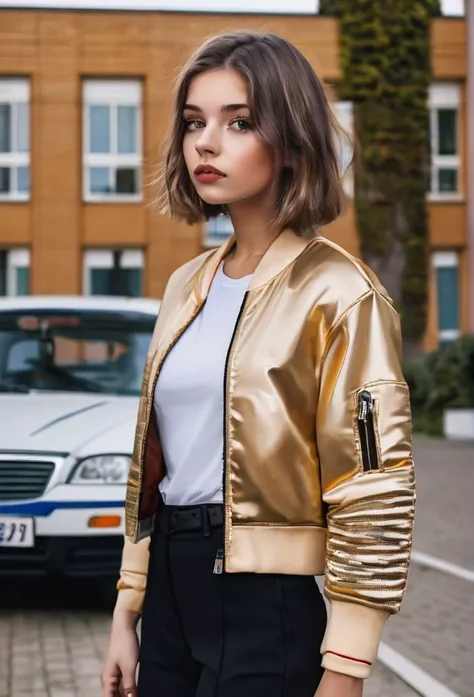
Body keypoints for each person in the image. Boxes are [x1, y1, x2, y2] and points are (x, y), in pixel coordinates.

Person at [101, 30, 415, 697]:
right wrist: (128, 606)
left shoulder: (339, 291)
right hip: (168, 593)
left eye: (238, 121)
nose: (204, 143)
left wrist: (347, 665)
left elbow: (373, 486)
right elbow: (156, 466)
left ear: (292, 135)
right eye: (194, 122)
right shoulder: (186, 284)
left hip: (264, 602)